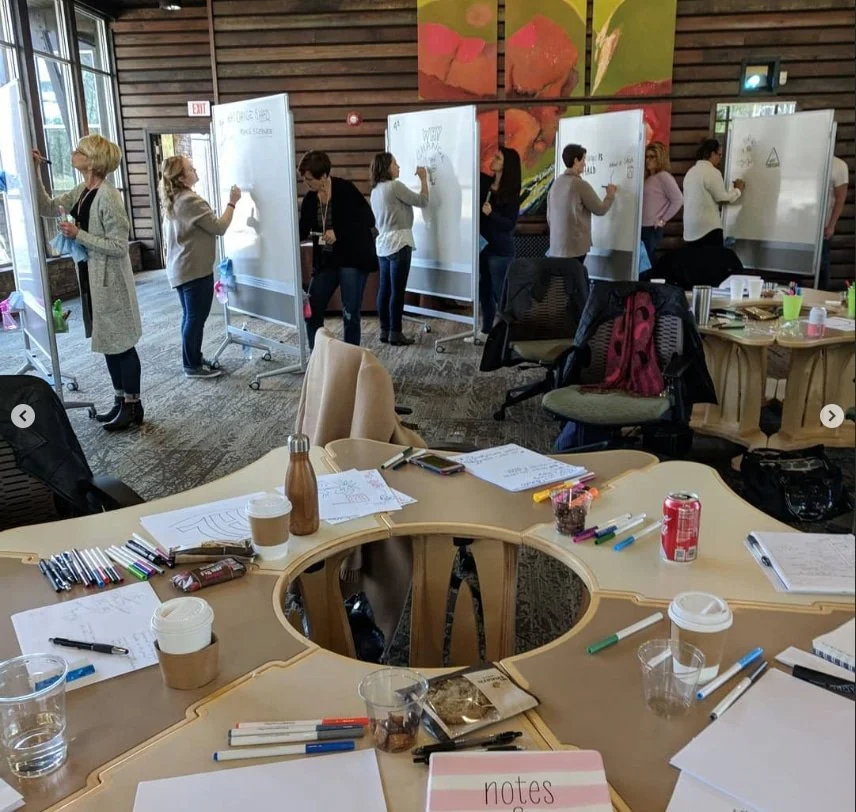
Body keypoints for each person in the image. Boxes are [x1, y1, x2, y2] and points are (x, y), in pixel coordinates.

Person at [33, 135, 144, 431]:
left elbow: (119, 246)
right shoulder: (83, 189)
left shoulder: (108, 196)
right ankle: (121, 402)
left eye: (80, 150)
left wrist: (77, 235)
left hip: (111, 281)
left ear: (93, 160)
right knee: (108, 342)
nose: (73, 152)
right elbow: (47, 206)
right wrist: (34, 170)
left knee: (121, 344)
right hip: (93, 277)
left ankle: (133, 407)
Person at [159, 155, 241, 379]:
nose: (195, 170)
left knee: (190, 317)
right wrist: (232, 202)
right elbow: (219, 227)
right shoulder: (189, 201)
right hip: (193, 269)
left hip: (182, 268)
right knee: (195, 318)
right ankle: (192, 366)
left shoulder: (174, 198)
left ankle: (193, 358)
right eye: (190, 168)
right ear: (182, 178)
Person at [298, 150, 377, 350]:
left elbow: (369, 220)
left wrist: (338, 232)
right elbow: (301, 230)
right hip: (327, 260)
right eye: (304, 180)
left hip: (353, 256)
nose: (307, 184)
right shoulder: (310, 199)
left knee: (350, 311)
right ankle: (316, 354)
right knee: (312, 308)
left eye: (310, 180)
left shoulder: (345, 189)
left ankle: (350, 358)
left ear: (324, 176)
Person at [369, 152, 429, 346]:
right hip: (400, 242)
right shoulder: (395, 186)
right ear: (386, 167)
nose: (399, 166)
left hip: (384, 243)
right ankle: (396, 332)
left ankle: (385, 330)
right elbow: (423, 201)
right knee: (398, 291)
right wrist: (424, 179)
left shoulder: (375, 190)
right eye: (395, 163)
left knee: (384, 289)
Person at [547, 143, 616, 267]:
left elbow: (549, 216)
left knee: (563, 282)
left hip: (556, 247)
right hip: (574, 247)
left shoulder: (556, 184)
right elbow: (600, 209)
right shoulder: (579, 184)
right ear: (576, 161)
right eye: (583, 159)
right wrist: (610, 195)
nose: (585, 163)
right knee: (574, 280)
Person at [479, 147, 522, 335]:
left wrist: (492, 214)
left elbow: (509, 224)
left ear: (506, 166)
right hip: (482, 247)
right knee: (485, 292)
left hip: (501, 251)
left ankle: (509, 334)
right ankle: (486, 330)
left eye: (498, 157)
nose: (493, 159)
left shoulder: (512, 192)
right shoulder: (484, 183)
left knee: (501, 294)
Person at [682, 138, 744, 247]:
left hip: (689, 232)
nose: (720, 158)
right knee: (712, 262)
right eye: (719, 155)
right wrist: (738, 190)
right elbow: (722, 198)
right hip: (708, 230)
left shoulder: (690, 172)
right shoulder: (712, 172)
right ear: (712, 154)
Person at [641, 141, 683, 262]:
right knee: (643, 263)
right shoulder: (648, 177)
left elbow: (678, 199)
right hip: (643, 226)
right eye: (646, 157)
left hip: (651, 228)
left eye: (652, 157)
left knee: (646, 263)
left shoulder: (663, 176)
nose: (648, 160)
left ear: (660, 158)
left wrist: (663, 219)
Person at [820, 155, 848, 290]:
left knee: (822, 265)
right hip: (803, 225)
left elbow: (840, 199)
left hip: (823, 226)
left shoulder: (838, 165)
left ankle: (820, 300)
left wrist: (831, 225)